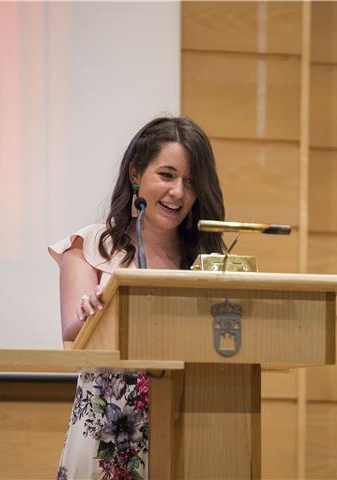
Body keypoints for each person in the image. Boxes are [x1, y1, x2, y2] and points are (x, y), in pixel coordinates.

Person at [49, 116, 225, 480]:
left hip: (188, 428)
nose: (178, 192)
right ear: (135, 174)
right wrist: (92, 314)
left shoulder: (206, 262)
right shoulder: (91, 246)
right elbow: (70, 332)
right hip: (107, 435)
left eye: (190, 182)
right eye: (166, 175)